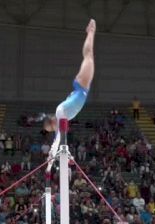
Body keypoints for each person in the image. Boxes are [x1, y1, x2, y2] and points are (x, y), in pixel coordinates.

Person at [43, 19, 96, 172]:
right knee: (88, 56)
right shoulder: (62, 114)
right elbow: (59, 138)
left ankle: (91, 30)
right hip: (80, 89)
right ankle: (90, 31)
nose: (54, 131)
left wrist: (51, 156)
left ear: (52, 122)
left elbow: (58, 139)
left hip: (81, 88)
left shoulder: (60, 114)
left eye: (51, 129)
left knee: (89, 56)